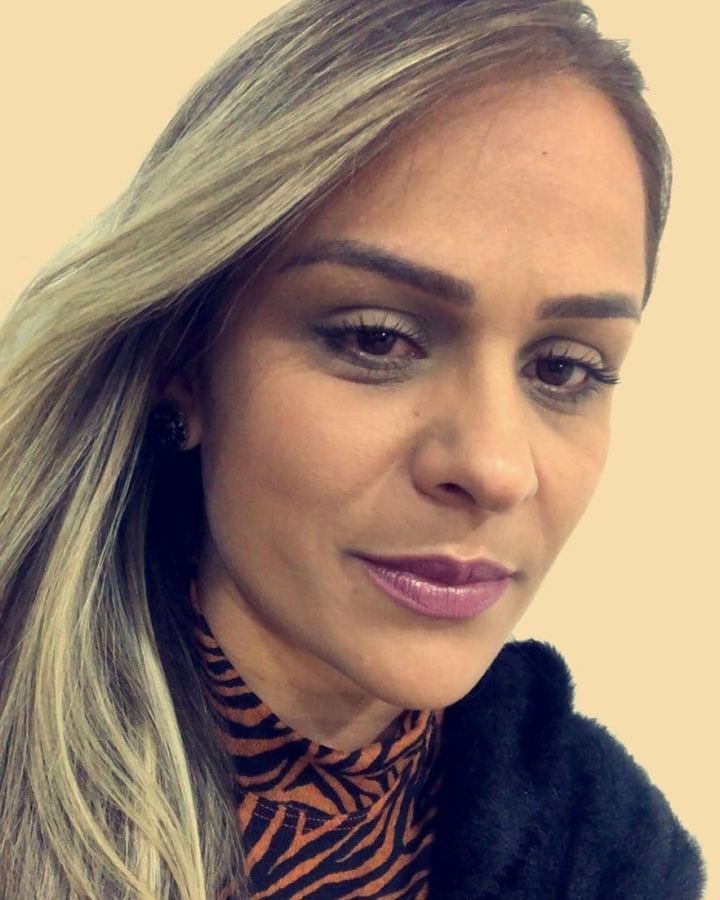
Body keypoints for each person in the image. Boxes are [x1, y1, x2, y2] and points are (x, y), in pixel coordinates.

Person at [0, 1, 708, 897]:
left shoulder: (613, 855)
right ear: (185, 360)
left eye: (564, 368)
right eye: (377, 338)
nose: (495, 468)